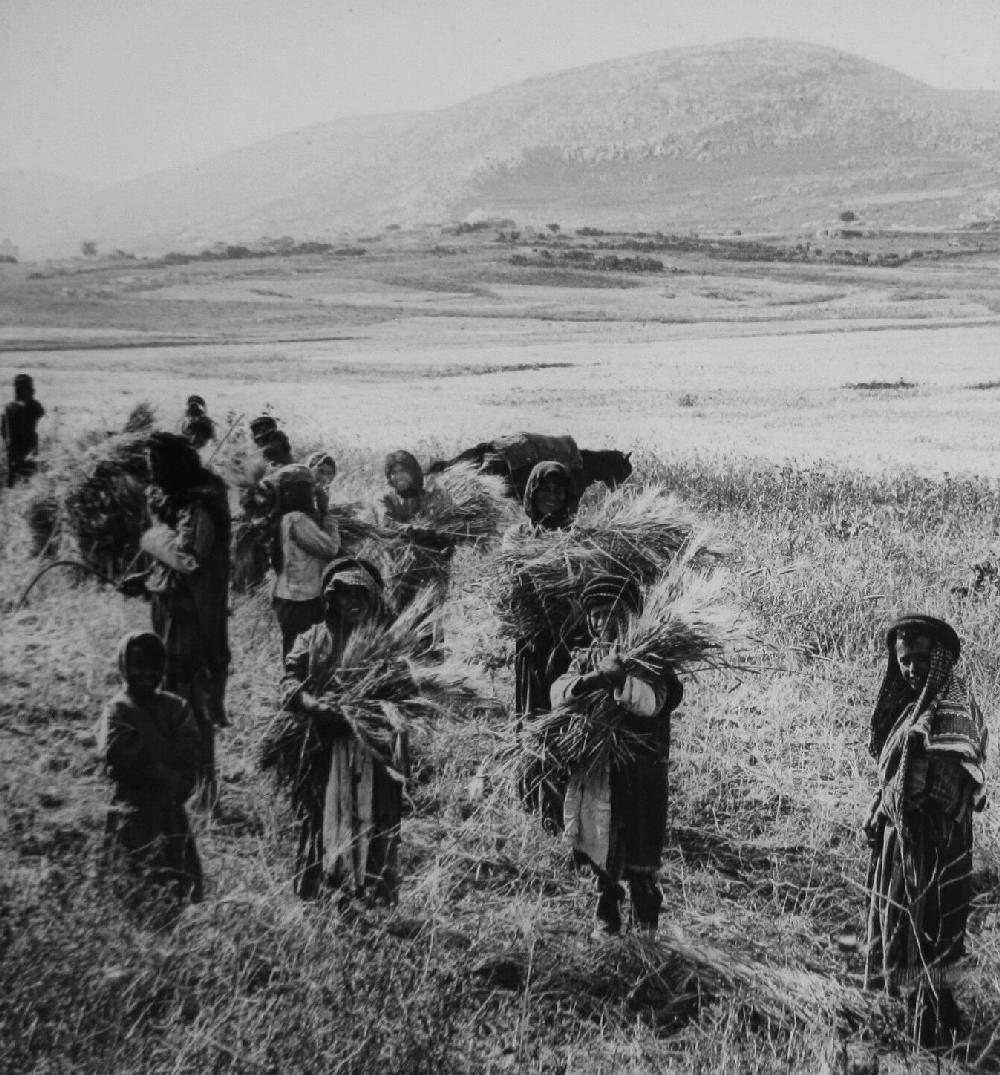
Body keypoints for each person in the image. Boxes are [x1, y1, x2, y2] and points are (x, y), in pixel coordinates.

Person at [864, 613, 988, 1046]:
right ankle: (914, 1019)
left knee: (932, 927)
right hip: (903, 838)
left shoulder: (954, 708)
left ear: (938, 659)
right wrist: (881, 810)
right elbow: (895, 776)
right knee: (903, 926)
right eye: (903, 661)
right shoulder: (911, 710)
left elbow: (941, 784)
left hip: (934, 842)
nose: (911, 669)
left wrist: (903, 812)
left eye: (919, 659)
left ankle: (934, 1024)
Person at [550, 574, 682, 937]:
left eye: (608, 613)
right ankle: (606, 915)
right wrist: (591, 680)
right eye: (593, 614)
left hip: (639, 775)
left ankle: (646, 925)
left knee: (638, 853)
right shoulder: (584, 657)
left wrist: (622, 679)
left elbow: (657, 701)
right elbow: (558, 693)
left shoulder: (651, 659)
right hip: (598, 771)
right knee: (599, 847)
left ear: (628, 615)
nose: (598, 621)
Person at [281, 558, 407, 902]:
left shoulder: (386, 644)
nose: (353, 602)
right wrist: (314, 706)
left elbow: (405, 691)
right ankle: (319, 891)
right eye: (345, 594)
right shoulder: (313, 638)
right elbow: (290, 683)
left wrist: (376, 713)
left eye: (361, 595)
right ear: (331, 598)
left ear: (373, 601)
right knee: (320, 815)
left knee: (371, 815)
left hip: (371, 749)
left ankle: (368, 894)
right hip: (322, 744)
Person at [127, 432, 231, 811]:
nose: (151, 472)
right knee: (170, 698)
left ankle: (206, 789)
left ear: (172, 465)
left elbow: (188, 559)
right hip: (170, 612)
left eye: (156, 464)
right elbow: (170, 567)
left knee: (192, 705)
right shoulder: (175, 501)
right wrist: (146, 580)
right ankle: (180, 785)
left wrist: (151, 537)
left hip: (192, 621)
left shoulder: (199, 506)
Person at [97, 631, 204, 915]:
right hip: (131, 813)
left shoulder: (175, 707)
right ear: (123, 666)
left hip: (169, 814)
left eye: (155, 666)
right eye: (139, 665)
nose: (148, 673)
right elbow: (121, 754)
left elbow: (189, 751)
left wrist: (165, 771)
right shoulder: (117, 709)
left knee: (173, 887)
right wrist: (164, 773)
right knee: (130, 886)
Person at [506, 460, 582, 830]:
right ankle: (532, 797)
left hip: (567, 640)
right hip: (532, 640)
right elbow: (513, 584)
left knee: (562, 714)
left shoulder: (578, 536)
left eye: (559, 490)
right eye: (544, 490)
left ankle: (561, 801)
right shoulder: (517, 536)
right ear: (531, 494)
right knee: (531, 711)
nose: (552, 497)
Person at [270, 464, 340, 657]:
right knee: (301, 654)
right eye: (309, 489)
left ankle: (296, 686)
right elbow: (329, 548)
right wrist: (327, 514)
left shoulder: (283, 518)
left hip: (290, 595)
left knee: (296, 652)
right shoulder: (297, 520)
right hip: (301, 599)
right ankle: (297, 687)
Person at [374, 449, 457, 611]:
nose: (398, 477)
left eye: (403, 471)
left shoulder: (430, 497)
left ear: (413, 472)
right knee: (401, 614)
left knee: (432, 617)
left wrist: (446, 539)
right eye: (393, 473)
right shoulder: (385, 498)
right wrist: (420, 532)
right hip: (399, 569)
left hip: (432, 569)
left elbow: (446, 527)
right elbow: (387, 525)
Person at [2, 372, 45, 487]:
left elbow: (4, 431)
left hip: (17, 448)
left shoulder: (10, 407)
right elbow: (40, 412)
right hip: (24, 445)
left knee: (16, 479)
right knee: (28, 478)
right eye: (30, 388)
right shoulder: (29, 405)